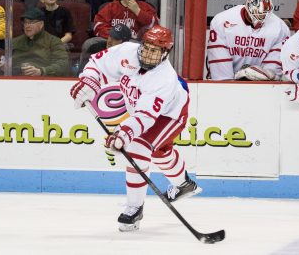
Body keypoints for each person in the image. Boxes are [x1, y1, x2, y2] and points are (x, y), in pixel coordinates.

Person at [70, 25, 201, 232]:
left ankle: (134, 208)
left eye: (154, 51)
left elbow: (145, 116)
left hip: (171, 113)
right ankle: (185, 185)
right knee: (160, 152)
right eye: (146, 47)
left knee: (138, 147)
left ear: (165, 53)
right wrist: (90, 82)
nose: (147, 54)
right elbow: (98, 63)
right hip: (144, 112)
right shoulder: (126, 52)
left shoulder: (163, 78)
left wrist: (124, 133)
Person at [206, 0, 290, 81]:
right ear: (248, 5)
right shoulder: (222, 21)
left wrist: (260, 76)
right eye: (258, 13)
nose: (261, 17)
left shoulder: (280, 28)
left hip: (258, 85)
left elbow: (271, 73)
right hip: (225, 84)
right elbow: (221, 75)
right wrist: (229, 82)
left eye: (264, 13)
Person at [11, 7, 69, 76]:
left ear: (41, 24)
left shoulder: (53, 41)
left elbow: (63, 64)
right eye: (25, 22)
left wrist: (42, 71)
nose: (27, 26)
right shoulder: (15, 42)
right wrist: (5, 67)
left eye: (31, 22)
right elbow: (5, 62)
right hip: (15, 80)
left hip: (43, 81)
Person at [93, 0, 158, 39]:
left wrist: (138, 11)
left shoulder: (145, 7)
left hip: (134, 43)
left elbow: (155, 24)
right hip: (112, 40)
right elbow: (98, 25)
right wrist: (114, 35)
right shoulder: (111, 7)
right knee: (89, 43)